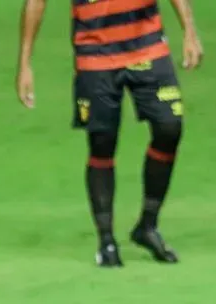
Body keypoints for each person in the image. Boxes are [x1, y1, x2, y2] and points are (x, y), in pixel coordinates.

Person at [15, 0, 203, 266]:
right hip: (95, 55)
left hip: (149, 48)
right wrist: (25, 63)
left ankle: (147, 225)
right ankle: (107, 241)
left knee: (169, 128)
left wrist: (189, 31)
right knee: (102, 141)